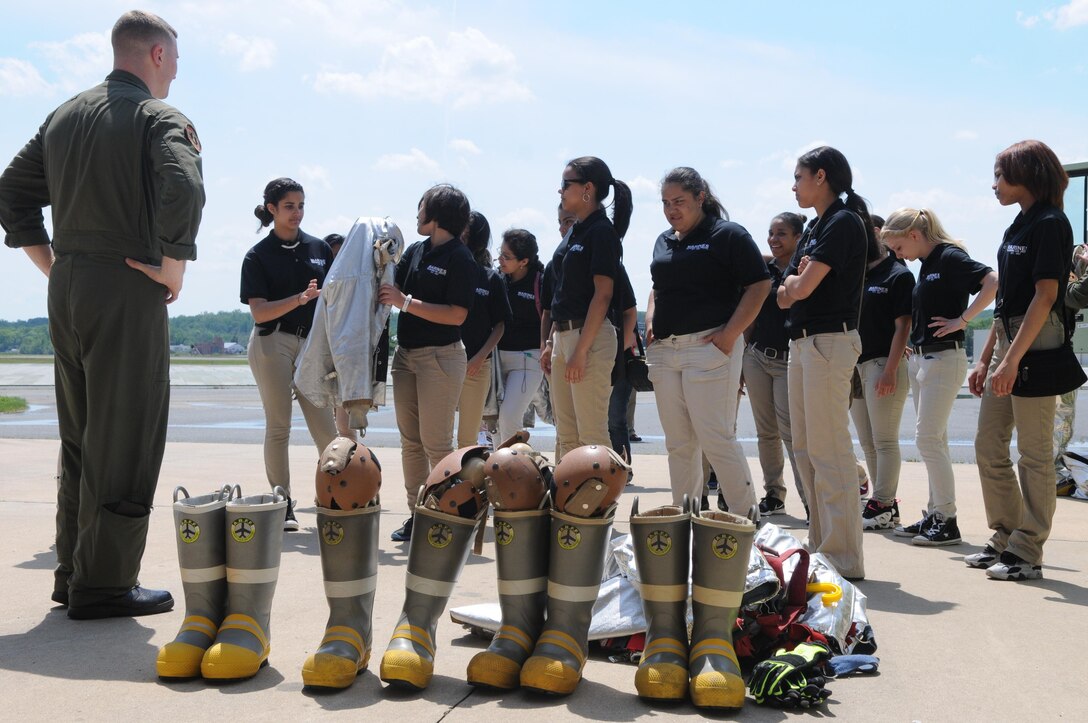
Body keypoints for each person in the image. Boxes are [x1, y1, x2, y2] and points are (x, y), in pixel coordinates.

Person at [0, 10, 204, 618]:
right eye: (175, 62)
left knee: (82, 438)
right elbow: (184, 187)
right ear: (159, 56)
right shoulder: (158, 117)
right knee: (127, 436)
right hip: (125, 286)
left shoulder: (64, 115)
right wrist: (175, 265)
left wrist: (53, 262)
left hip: (67, 290)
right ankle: (105, 584)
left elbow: (10, 190)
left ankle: (73, 573)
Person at [967, 140, 1074, 580]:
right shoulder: (1018, 225)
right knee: (989, 446)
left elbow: (1046, 296)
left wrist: (1011, 360)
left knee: (1033, 454)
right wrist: (987, 358)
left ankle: (1028, 551)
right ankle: (1008, 535)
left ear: (1027, 173)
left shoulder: (1050, 223)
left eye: (1000, 174)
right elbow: (1009, 298)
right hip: (1011, 338)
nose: (994, 185)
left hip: (1037, 343)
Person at [776, 146, 877, 580]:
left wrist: (797, 281)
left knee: (829, 450)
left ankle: (842, 556)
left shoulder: (842, 222)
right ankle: (821, 545)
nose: (793, 185)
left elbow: (801, 286)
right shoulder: (816, 225)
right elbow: (784, 293)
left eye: (798, 177)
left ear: (820, 176)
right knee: (804, 450)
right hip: (803, 343)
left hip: (828, 342)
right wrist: (796, 282)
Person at [646, 167, 770, 512]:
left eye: (680, 201)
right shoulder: (664, 239)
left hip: (709, 348)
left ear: (700, 197)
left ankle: (746, 517)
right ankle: (685, 516)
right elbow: (658, 284)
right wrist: (652, 317)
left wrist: (730, 335)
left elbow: (760, 285)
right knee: (679, 444)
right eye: (666, 203)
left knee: (716, 439)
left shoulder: (727, 234)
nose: (672, 210)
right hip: (665, 352)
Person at [881, 208, 997, 545]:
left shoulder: (949, 257)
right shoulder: (929, 264)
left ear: (915, 235)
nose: (898, 256)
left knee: (927, 439)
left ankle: (946, 519)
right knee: (936, 439)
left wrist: (962, 320)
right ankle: (935, 513)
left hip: (944, 358)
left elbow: (992, 282)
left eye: (899, 248)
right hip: (924, 359)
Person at [240, 178, 338, 532]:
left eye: (301, 205)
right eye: (289, 206)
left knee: (326, 430)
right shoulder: (257, 256)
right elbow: (259, 313)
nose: (296, 212)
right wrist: (298, 299)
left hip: (311, 344)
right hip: (272, 344)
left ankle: (336, 495)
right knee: (279, 426)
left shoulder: (319, 248)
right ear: (272, 210)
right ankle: (282, 503)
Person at [379, 184, 476, 541]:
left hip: (442, 358)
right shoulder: (417, 251)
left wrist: (405, 303)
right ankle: (417, 514)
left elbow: (456, 315)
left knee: (437, 443)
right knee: (411, 443)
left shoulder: (460, 258)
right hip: (406, 357)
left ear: (436, 214)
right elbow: (392, 284)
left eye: (421, 208)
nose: (417, 214)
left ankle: (454, 515)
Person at [543, 157, 632, 459]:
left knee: (591, 435)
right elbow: (564, 292)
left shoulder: (601, 232)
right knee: (566, 435)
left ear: (588, 189)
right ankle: (568, 505)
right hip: (564, 337)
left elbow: (603, 295)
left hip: (589, 339)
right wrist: (551, 342)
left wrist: (580, 350)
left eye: (567, 184)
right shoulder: (576, 230)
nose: (560, 190)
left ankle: (599, 505)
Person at [743, 212, 808, 516]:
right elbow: (751, 315)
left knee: (791, 432)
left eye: (782, 233)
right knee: (765, 431)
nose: (774, 239)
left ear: (798, 237)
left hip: (788, 361)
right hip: (757, 357)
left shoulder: (806, 269)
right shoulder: (763, 270)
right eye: (770, 233)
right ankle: (774, 494)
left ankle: (810, 500)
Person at [850, 235, 915, 532]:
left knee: (885, 440)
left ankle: (883, 502)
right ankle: (885, 504)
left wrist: (890, 369)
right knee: (867, 442)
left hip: (882, 364)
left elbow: (903, 325)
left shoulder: (898, 275)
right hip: (857, 365)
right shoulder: (859, 275)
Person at [454, 211, 510, 448]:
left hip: (477, 365)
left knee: (468, 434)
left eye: (465, 231)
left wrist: (480, 357)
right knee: (438, 433)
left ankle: (466, 482)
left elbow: (500, 325)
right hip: (443, 360)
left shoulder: (491, 278)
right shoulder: (451, 270)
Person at [495, 228, 546, 445]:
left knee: (509, 418)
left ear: (524, 261)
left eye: (507, 257)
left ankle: (518, 471)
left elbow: (549, 317)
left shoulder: (540, 282)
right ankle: (497, 472)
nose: (500, 260)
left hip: (528, 359)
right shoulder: (497, 279)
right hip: (497, 359)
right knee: (494, 421)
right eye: (500, 253)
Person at [323, 232, 357, 441]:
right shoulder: (318, 288)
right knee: (326, 426)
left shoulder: (355, 287)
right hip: (324, 357)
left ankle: (351, 466)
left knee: (345, 427)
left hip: (346, 360)